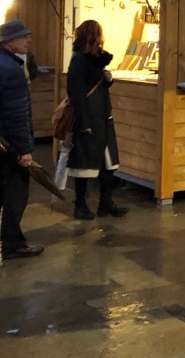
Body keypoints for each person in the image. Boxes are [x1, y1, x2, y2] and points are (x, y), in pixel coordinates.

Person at [0, 20, 43, 259]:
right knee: (15, 196)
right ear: (9, 42)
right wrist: (24, 150)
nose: (28, 40)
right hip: (9, 145)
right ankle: (13, 244)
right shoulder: (11, 70)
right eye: (23, 37)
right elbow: (17, 114)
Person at [66, 20, 127, 220]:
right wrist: (84, 123)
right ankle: (80, 205)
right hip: (89, 120)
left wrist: (108, 80)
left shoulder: (95, 60)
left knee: (109, 163)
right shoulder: (79, 60)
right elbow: (77, 93)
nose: (100, 39)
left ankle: (105, 203)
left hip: (103, 118)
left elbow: (94, 85)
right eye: (98, 35)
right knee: (85, 165)